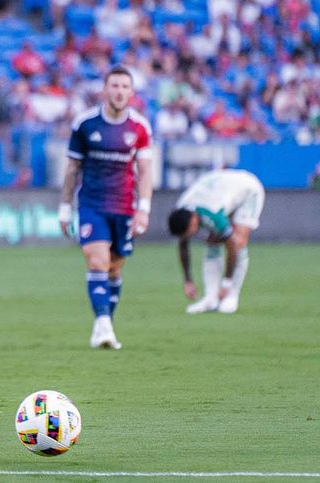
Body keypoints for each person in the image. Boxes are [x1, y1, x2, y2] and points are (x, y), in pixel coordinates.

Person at [57, 67, 153, 350]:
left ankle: (105, 322)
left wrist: (144, 208)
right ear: (105, 89)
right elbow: (72, 169)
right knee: (97, 261)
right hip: (92, 204)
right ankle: (102, 323)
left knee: (114, 268)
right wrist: (65, 207)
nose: (119, 91)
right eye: (115, 85)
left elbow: (145, 171)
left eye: (125, 86)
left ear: (131, 92)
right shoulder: (85, 124)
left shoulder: (140, 127)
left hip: (124, 207)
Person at [167, 169, 265, 315]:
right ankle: (211, 299)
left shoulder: (211, 213)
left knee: (238, 242)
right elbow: (183, 245)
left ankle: (232, 296)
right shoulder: (183, 209)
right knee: (213, 241)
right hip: (222, 191)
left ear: (193, 220)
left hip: (248, 190)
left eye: (190, 231)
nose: (191, 235)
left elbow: (232, 246)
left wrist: (226, 283)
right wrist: (188, 280)